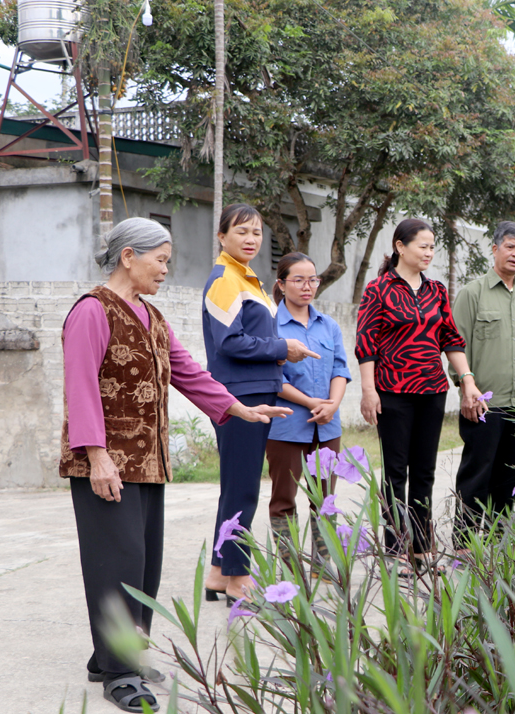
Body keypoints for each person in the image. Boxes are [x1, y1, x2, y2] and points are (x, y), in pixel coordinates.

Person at [61, 217, 291, 713]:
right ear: (128, 256)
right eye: (160, 260)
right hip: (106, 465)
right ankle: (119, 673)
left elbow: (189, 372)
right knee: (113, 564)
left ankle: (118, 656)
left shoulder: (152, 316)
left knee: (142, 564)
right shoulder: (91, 311)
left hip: (147, 462)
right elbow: (80, 387)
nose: (166, 269)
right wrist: (97, 456)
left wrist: (240, 409)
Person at [201, 204, 319, 603]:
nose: (251, 239)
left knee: (238, 485)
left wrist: (280, 353)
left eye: (256, 233)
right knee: (243, 490)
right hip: (240, 395)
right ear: (222, 236)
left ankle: (219, 572)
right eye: (242, 232)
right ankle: (237, 576)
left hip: (254, 390)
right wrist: (281, 346)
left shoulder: (245, 279)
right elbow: (229, 342)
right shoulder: (224, 280)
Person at [356, 218, 483, 575]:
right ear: (400, 246)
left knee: (424, 471)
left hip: (432, 391)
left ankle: (423, 548)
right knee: (396, 471)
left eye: (432, 247)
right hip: (392, 391)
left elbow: (451, 339)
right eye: (422, 246)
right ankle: (397, 550)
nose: (429, 252)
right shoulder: (378, 289)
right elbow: (365, 343)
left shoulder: (437, 291)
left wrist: (468, 380)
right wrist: (369, 392)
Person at [449, 220, 515, 552]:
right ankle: (464, 544)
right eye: (511, 247)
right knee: (477, 473)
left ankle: (496, 542)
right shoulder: (472, 293)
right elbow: (454, 346)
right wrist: (466, 388)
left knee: (511, 476)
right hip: (484, 403)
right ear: (495, 249)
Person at [266, 252, 352, 579]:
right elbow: (274, 379)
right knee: (284, 499)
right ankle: (290, 570)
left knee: (325, 499)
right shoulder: (270, 326)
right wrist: (312, 402)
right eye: (298, 280)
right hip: (286, 426)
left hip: (328, 426)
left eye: (312, 279)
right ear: (282, 284)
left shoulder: (327, 325)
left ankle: (321, 565)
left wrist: (331, 404)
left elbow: (341, 369)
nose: (307, 286)